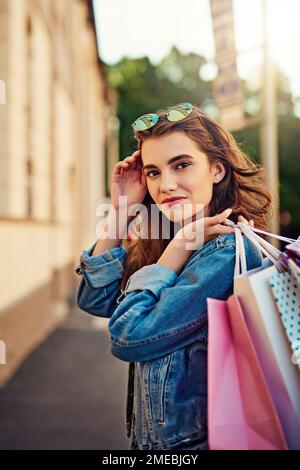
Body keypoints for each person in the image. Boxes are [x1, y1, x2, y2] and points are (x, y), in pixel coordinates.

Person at [75, 103, 271, 450]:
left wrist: (178, 248)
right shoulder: (168, 240)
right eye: (153, 172)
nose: (166, 184)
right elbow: (96, 299)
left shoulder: (224, 253)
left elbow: (128, 336)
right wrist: (122, 211)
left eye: (181, 165)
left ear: (217, 169)